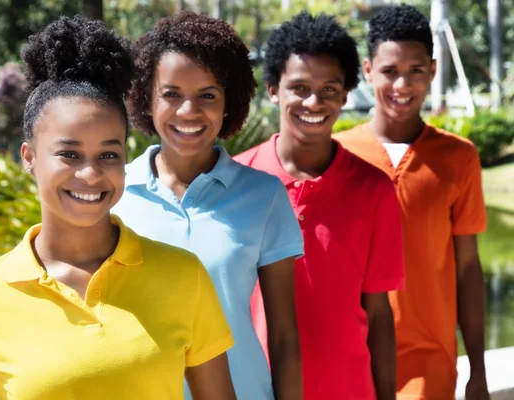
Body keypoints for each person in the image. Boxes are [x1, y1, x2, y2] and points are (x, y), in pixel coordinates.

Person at [0, 15, 236, 400]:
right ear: (29, 157)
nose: (91, 174)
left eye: (108, 153)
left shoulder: (185, 277)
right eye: (69, 154)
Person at [112, 11, 303, 400]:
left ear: (228, 103)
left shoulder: (265, 196)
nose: (188, 111)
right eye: (171, 94)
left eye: (207, 96)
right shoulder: (114, 192)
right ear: (146, 99)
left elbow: (284, 337)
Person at [235, 12, 405, 400]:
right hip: (254, 391)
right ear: (274, 90)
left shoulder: (374, 189)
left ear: (346, 95)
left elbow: (379, 313)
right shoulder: (236, 181)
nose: (314, 101)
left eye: (329, 89)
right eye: (299, 87)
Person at [335, 5, 489, 400]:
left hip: (429, 365)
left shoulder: (459, 158)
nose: (402, 84)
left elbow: (468, 268)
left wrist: (478, 370)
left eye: (415, 70)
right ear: (368, 71)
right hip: (351, 362)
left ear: (433, 71)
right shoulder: (337, 155)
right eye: (389, 71)